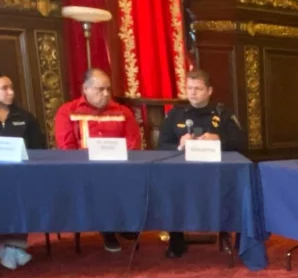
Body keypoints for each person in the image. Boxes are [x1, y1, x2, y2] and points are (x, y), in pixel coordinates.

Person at [157, 68, 246, 258]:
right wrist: (179, 145)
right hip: (181, 174)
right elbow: (161, 145)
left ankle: (227, 232)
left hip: (214, 174)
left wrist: (219, 141)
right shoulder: (175, 114)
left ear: (209, 91)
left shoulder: (222, 114)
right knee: (166, 186)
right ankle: (176, 238)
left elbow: (241, 143)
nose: (193, 93)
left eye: (198, 88)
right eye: (189, 88)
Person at [55, 68, 141, 253]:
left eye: (108, 89)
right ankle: (107, 228)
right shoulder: (67, 111)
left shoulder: (123, 112)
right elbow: (66, 146)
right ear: (85, 89)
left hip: (119, 167)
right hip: (83, 169)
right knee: (99, 180)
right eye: (100, 89)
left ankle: (123, 223)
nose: (106, 94)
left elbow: (134, 144)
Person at [0, 73, 46, 270]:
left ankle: (13, 245)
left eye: (12, 87)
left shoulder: (25, 118)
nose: (11, 92)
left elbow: (39, 150)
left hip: (20, 178)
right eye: (4, 88)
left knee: (21, 193)